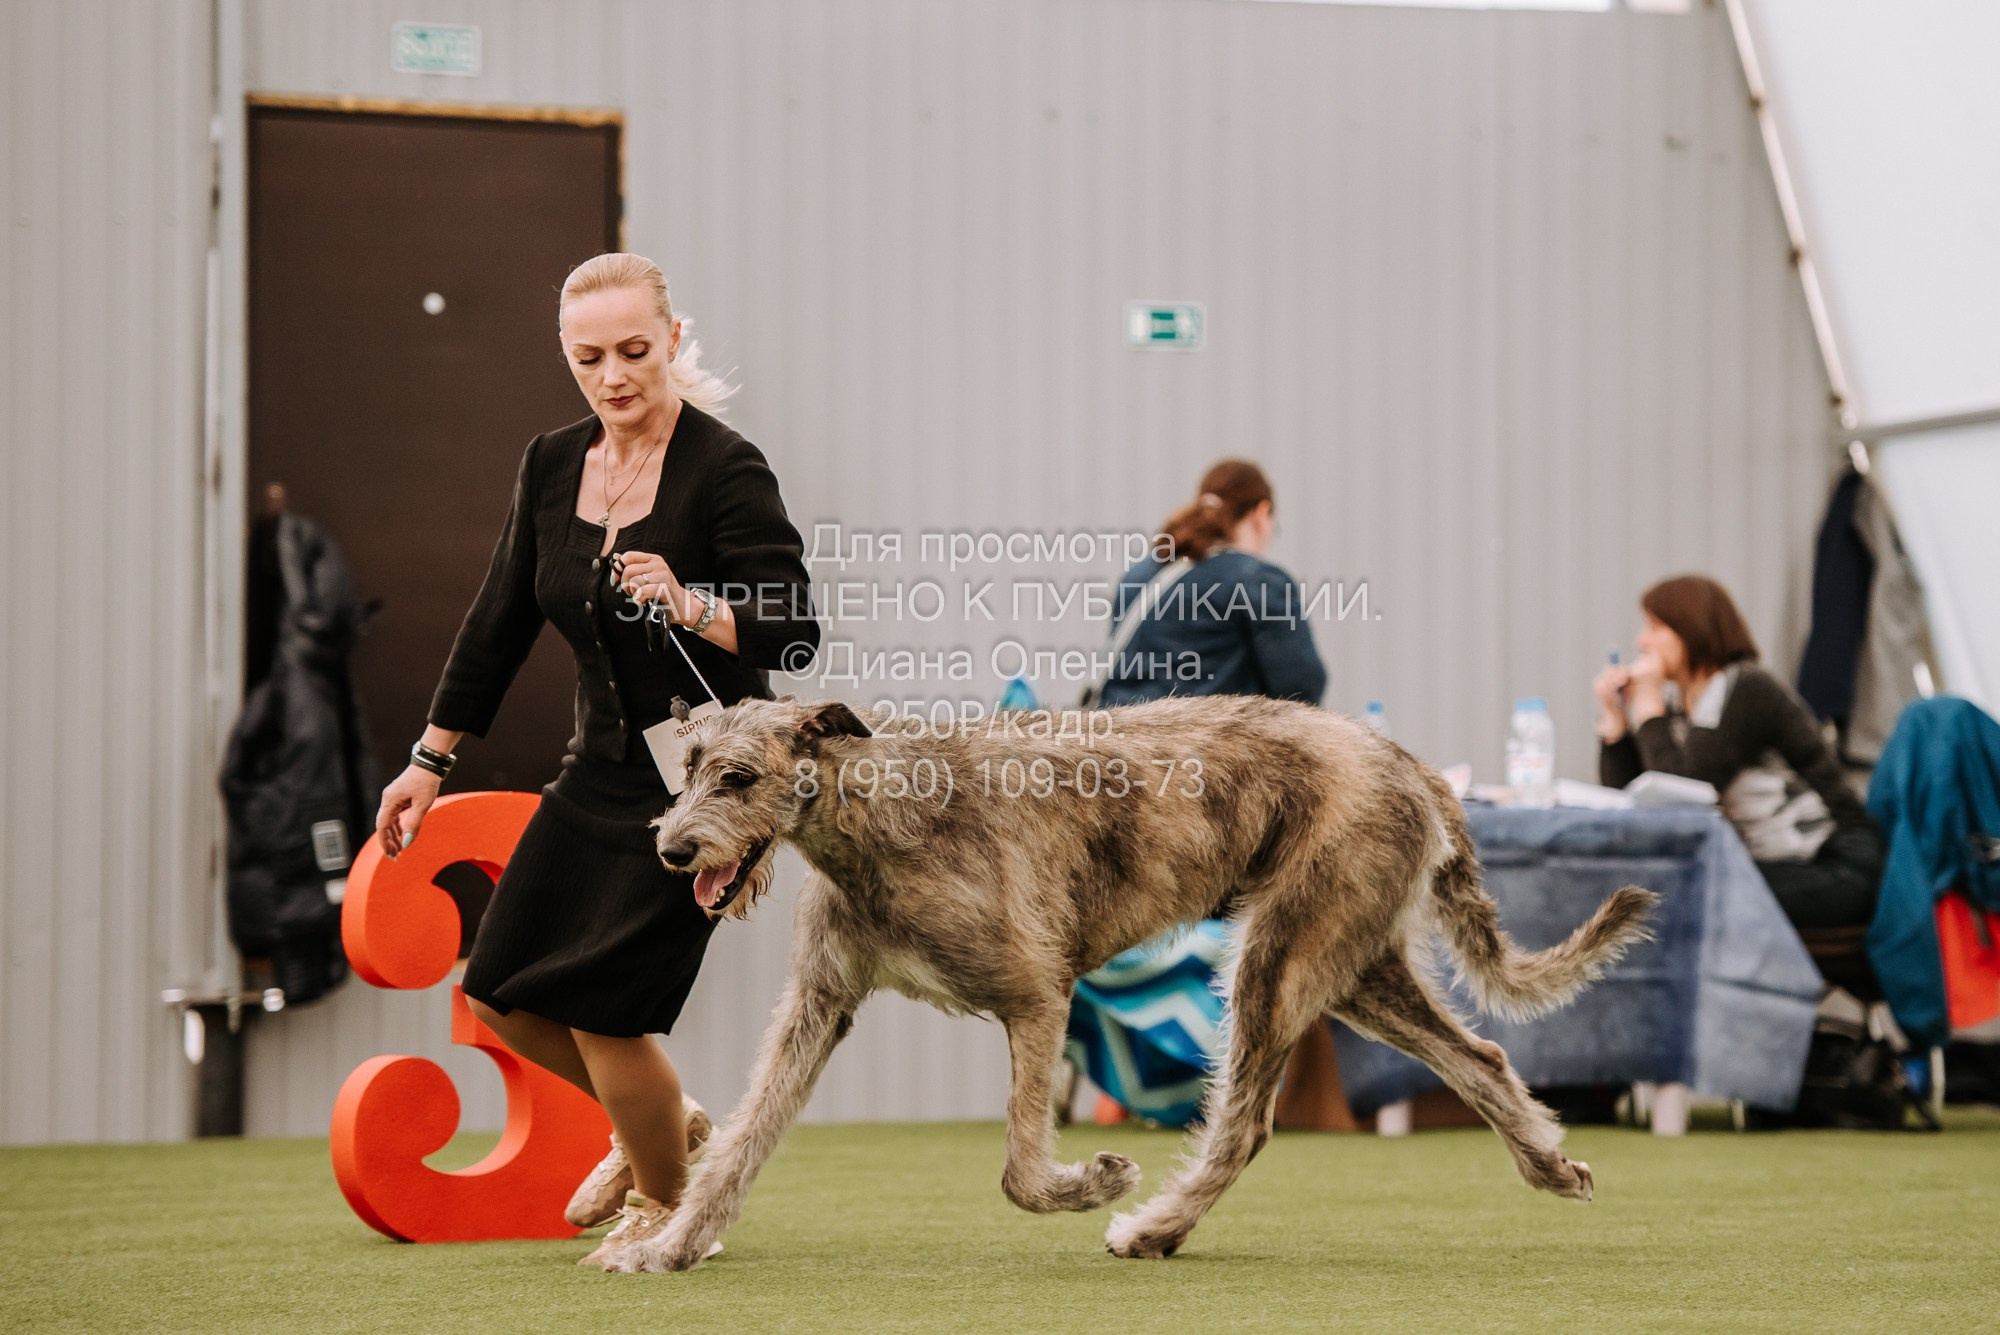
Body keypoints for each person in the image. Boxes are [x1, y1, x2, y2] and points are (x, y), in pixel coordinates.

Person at [372, 252, 818, 1264]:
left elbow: (792, 635)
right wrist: (426, 761)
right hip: (596, 772)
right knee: (497, 994)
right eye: (588, 359)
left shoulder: (725, 467)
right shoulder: (550, 462)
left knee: (608, 1012)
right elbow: (497, 622)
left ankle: (670, 1216)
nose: (613, 376)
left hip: (705, 788)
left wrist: (693, 605)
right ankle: (671, 1127)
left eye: (631, 351)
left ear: (670, 339)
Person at [1593, 574, 1881, 932]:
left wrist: (1649, 709)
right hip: (1777, 864)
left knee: (1676, 899)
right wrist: (1615, 724)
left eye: (1655, 626)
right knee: (1640, 893)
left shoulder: (1744, 687)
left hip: (1835, 863)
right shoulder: (1681, 709)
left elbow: (1684, 789)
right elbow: (1634, 799)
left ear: (1691, 628)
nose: (1641, 641)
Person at [1095, 460, 1326, 707]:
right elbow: (1301, 690)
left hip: (1121, 738)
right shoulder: (1258, 579)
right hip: (1199, 741)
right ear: (1261, 513)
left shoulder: (1139, 574)